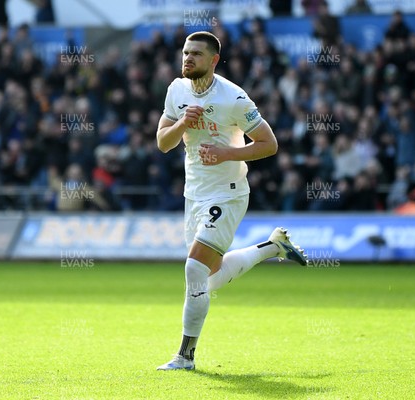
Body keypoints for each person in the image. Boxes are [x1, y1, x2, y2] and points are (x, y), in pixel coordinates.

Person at [155, 31, 307, 371]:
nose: (188, 58)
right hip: (192, 194)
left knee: (194, 269)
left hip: (228, 191)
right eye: (185, 52)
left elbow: (269, 144)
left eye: (196, 53)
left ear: (213, 60)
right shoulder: (176, 91)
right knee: (209, 278)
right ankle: (273, 247)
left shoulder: (234, 98)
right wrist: (182, 123)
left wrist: (226, 153)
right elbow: (163, 143)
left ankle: (185, 356)